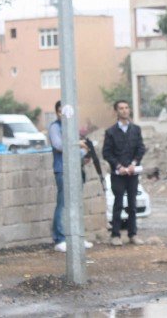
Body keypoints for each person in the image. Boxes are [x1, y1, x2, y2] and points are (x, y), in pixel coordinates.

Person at [48, 100, 94, 252]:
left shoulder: (73, 128)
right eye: (62, 111)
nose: (65, 115)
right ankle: (59, 238)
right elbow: (59, 145)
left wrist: (85, 153)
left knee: (76, 204)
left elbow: (79, 150)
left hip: (76, 170)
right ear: (57, 112)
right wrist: (77, 144)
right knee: (62, 204)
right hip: (63, 170)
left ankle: (78, 236)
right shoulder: (55, 127)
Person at [102, 100, 146, 246]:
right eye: (121, 108)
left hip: (133, 173)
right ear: (116, 111)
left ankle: (132, 234)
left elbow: (140, 148)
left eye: (127, 108)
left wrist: (134, 164)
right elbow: (106, 153)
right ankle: (115, 235)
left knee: (132, 204)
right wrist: (118, 166)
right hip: (118, 174)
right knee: (118, 203)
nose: (124, 110)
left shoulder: (136, 129)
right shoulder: (111, 132)